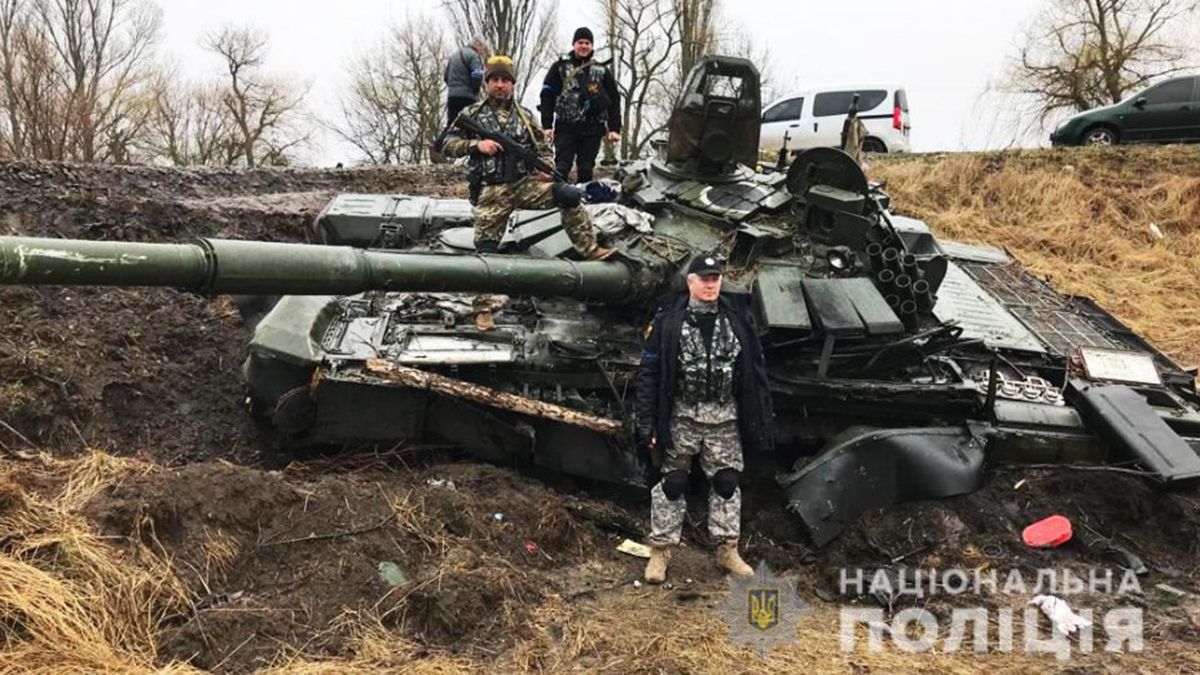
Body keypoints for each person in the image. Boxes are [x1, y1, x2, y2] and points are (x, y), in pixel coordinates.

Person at [635, 256, 775, 584]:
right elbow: (650, 372)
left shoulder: (737, 319)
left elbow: (755, 371)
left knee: (726, 482)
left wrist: (760, 416)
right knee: (673, 483)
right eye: (704, 279)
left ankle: (727, 550)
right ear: (690, 282)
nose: (711, 284)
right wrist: (647, 421)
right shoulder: (669, 321)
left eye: (716, 278)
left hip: (725, 415)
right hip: (682, 413)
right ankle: (660, 551)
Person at [441, 55, 615, 260]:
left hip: (524, 185)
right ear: (487, 83)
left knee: (568, 195)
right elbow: (446, 144)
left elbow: (542, 148)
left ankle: (590, 249)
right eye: (494, 80)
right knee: (485, 252)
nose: (499, 85)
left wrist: (546, 167)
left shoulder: (526, 116)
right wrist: (476, 145)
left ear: (512, 85)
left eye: (505, 80)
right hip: (491, 191)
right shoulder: (471, 114)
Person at [539, 27, 621, 183]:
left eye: (587, 43)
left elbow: (614, 99)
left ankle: (584, 204)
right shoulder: (560, 67)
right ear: (574, 44)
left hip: (593, 128)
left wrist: (615, 128)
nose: (583, 46)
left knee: (586, 169)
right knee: (562, 167)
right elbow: (547, 95)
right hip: (566, 127)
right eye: (580, 42)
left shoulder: (602, 70)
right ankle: (559, 199)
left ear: (592, 46)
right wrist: (547, 125)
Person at [444, 36, 489, 125]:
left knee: (452, 126)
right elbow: (477, 75)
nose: (482, 52)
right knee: (469, 126)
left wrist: (453, 87)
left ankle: (442, 139)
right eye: (482, 48)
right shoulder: (474, 56)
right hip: (467, 98)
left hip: (452, 97)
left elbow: (446, 76)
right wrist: (475, 90)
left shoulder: (454, 55)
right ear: (478, 44)